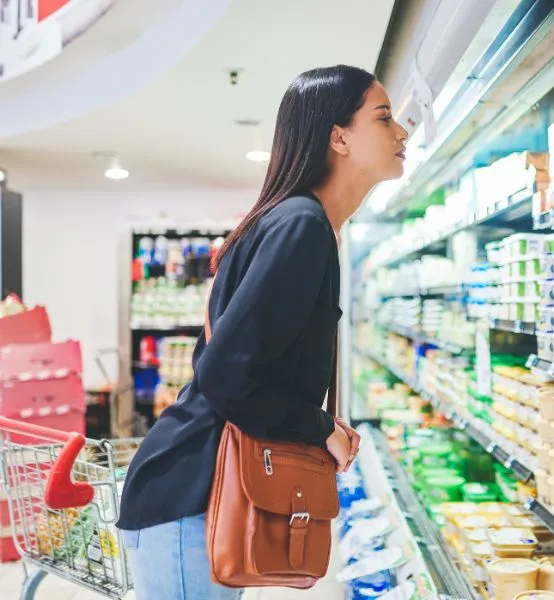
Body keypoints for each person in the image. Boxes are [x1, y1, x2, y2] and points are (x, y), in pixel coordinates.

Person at [117, 65, 408, 599]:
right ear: (338, 136)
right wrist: (321, 428)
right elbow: (227, 376)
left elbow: (252, 367)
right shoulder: (302, 225)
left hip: (205, 495)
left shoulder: (300, 223)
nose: (402, 132)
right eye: (384, 117)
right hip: (192, 498)